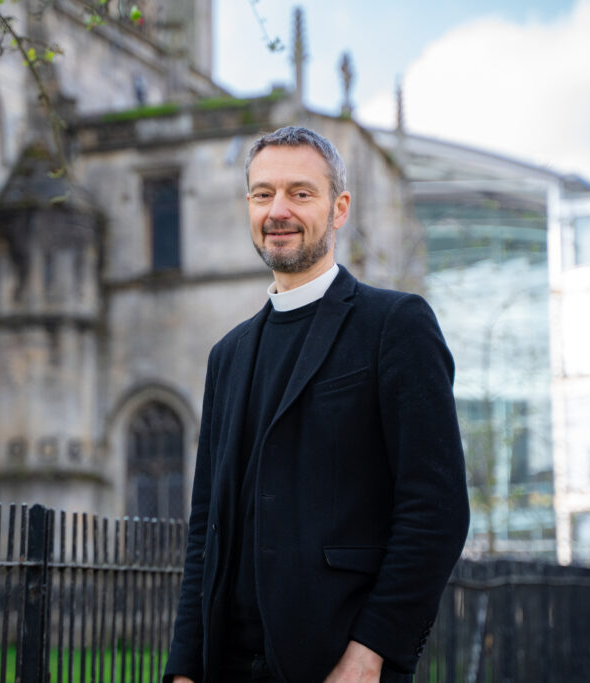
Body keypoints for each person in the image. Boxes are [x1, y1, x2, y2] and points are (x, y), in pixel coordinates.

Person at [163, 126, 469, 683]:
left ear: (338, 208)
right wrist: (184, 667)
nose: (279, 210)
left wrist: (369, 654)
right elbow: (205, 526)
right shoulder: (225, 356)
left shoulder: (394, 325)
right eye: (263, 194)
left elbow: (437, 513)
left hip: (337, 666)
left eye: (301, 193)